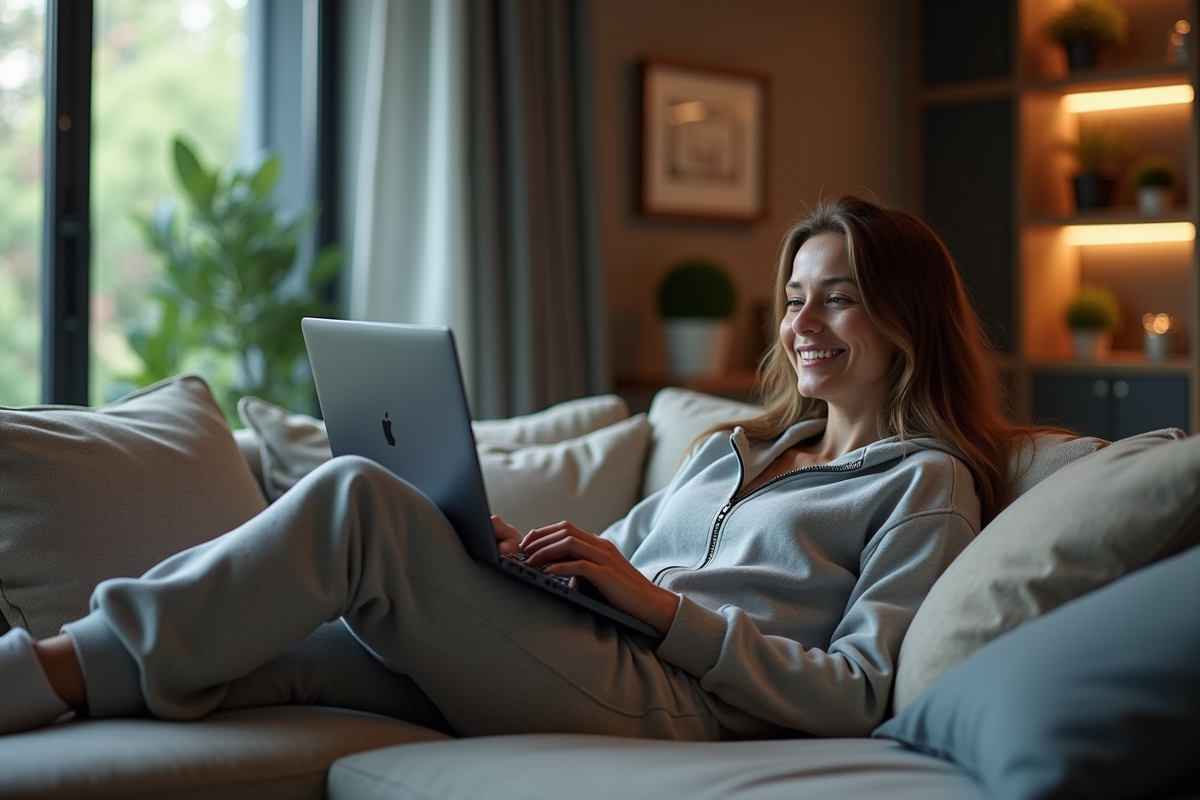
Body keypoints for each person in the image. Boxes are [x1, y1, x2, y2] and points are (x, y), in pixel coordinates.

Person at [0, 195, 1042, 740]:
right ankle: (56, 689)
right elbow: (618, 560)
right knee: (280, 652)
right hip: (582, 648)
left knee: (359, 500)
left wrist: (660, 610)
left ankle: (30, 668)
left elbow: (861, 691)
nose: (803, 322)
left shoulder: (926, 483)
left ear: (907, 317)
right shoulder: (734, 446)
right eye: (795, 298)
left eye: (840, 297)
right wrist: (516, 561)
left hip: (669, 700)